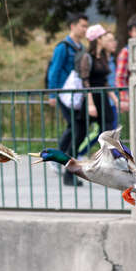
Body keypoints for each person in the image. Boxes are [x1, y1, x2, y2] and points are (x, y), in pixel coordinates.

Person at [47, 14, 88, 186]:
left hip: (77, 94)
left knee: (76, 127)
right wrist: (52, 94)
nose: (85, 29)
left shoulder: (81, 47)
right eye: (82, 26)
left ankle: (60, 156)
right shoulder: (63, 47)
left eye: (86, 26)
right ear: (72, 26)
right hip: (64, 94)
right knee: (74, 126)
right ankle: (56, 157)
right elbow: (54, 70)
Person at [77, 31, 118, 157]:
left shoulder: (103, 57)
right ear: (98, 39)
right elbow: (85, 80)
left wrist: (114, 98)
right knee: (84, 131)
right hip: (92, 98)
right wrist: (90, 104)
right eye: (103, 37)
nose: (107, 39)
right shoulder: (87, 57)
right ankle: (75, 154)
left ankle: (109, 158)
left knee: (109, 129)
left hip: (103, 98)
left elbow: (104, 81)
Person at [116, 14, 136, 113]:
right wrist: (124, 99)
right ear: (131, 33)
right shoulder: (126, 52)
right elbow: (120, 77)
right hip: (133, 98)